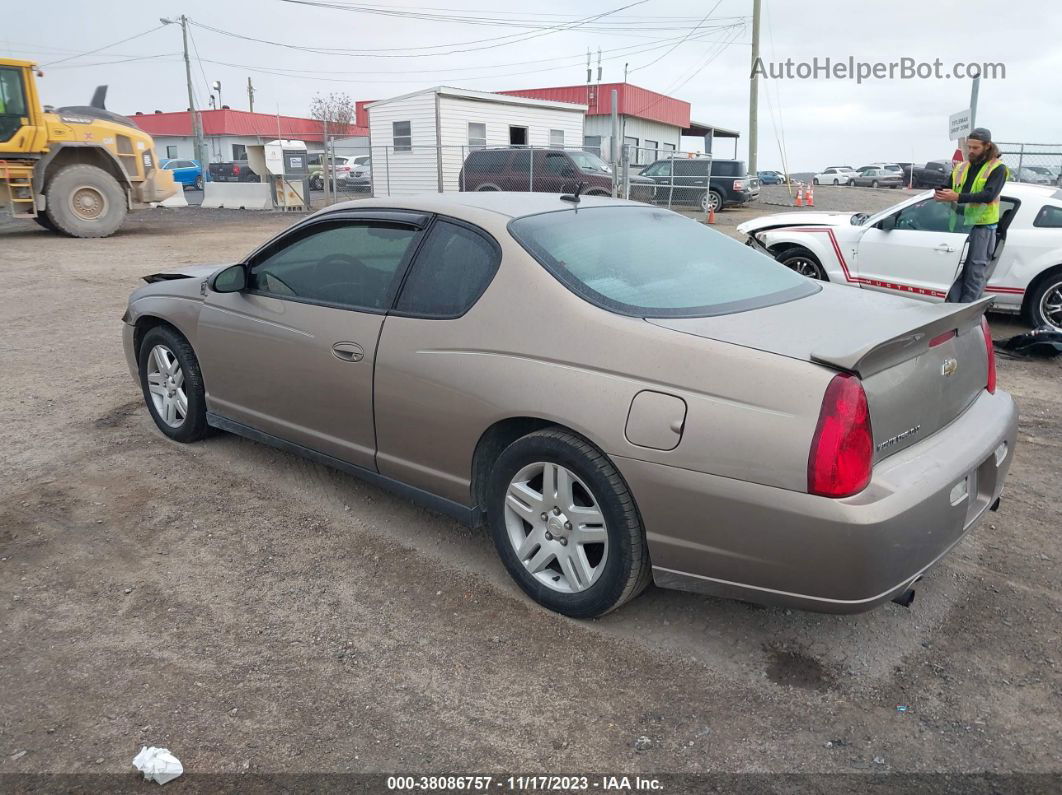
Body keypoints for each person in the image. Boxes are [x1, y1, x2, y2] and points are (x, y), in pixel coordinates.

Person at [933, 127, 1007, 303]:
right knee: (955, 271)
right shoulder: (962, 167)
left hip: (982, 228)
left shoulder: (998, 168)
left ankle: (967, 313)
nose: (971, 151)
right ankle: (953, 309)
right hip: (959, 226)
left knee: (974, 273)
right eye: (969, 147)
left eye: (975, 148)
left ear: (987, 146)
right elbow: (946, 185)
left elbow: (988, 195)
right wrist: (939, 193)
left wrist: (957, 197)